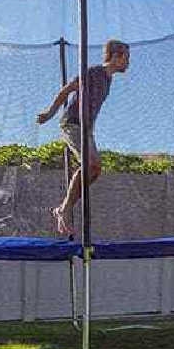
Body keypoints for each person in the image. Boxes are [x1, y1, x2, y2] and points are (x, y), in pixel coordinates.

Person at [36, 39, 130, 235]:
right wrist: (49, 113)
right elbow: (67, 90)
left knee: (95, 170)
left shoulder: (108, 80)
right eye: (126, 58)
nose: (128, 63)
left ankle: (64, 207)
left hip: (86, 130)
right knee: (90, 163)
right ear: (116, 56)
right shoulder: (94, 72)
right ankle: (65, 209)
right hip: (72, 124)